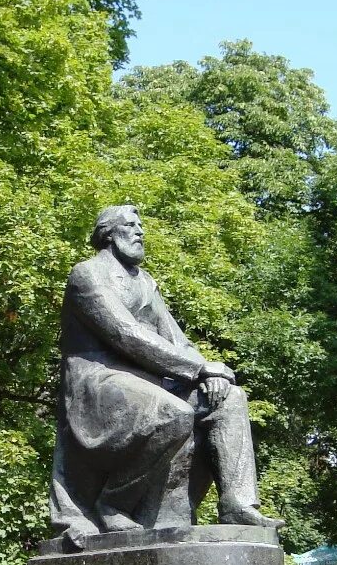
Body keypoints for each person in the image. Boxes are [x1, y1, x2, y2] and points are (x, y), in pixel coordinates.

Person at [50, 204, 283, 543]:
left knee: (229, 399)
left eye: (141, 225)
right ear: (109, 234)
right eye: (131, 225)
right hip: (98, 381)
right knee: (173, 413)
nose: (140, 232)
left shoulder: (145, 282)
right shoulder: (87, 274)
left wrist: (207, 374)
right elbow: (125, 333)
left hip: (146, 382)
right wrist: (198, 368)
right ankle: (114, 502)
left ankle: (236, 502)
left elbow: (176, 339)